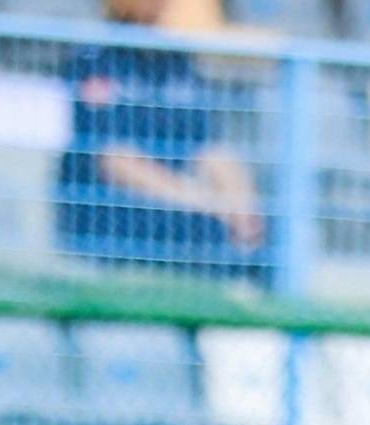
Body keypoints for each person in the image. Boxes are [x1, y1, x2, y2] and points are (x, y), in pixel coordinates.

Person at [57, 0, 265, 279]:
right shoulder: (93, 61)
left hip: (177, 214)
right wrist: (204, 201)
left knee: (265, 236)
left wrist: (242, 206)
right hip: (112, 220)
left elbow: (209, 149)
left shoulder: (176, 61)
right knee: (207, 232)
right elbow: (115, 161)